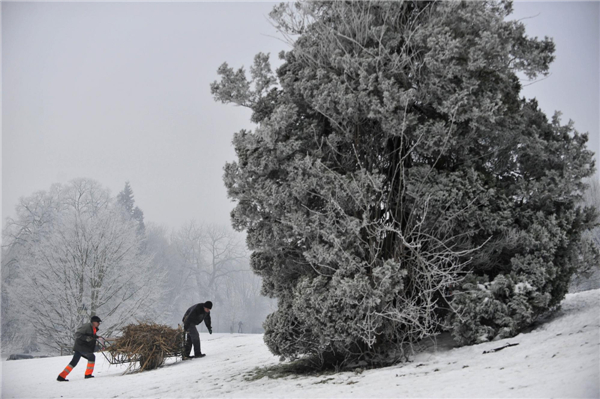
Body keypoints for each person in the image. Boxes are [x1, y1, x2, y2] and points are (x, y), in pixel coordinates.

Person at [57, 315, 103, 381]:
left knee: (74, 362)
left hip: (80, 347)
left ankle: (61, 376)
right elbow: (77, 334)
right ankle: (88, 374)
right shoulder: (87, 326)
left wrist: (96, 337)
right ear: (93, 322)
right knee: (91, 357)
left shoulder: (93, 328)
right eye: (98, 322)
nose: (99, 324)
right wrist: (87, 338)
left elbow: (91, 336)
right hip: (81, 347)